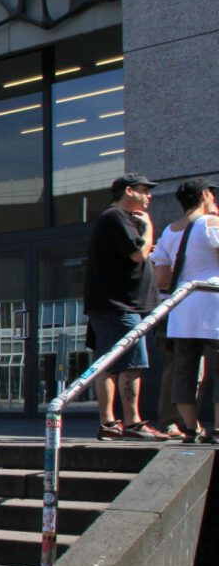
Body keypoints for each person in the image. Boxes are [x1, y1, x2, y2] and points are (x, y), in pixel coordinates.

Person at [84, 172, 170, 440]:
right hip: (119, 307)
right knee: (129, 365)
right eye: (145, 190)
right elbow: (137, 253)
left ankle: (110, 424)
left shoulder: (116, 219)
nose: (149, 196)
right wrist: (148, 229)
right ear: (129, 191)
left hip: (116, 305)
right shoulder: (116, 217)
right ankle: (130, 422)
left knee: (109, 364)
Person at [150, 177, 219, 443]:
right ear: (204, 196)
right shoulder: (211, 224)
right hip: (212, 308)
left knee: (184, 372)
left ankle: (190, 429)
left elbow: (162, 280)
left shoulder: (168, 231)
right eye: (212, 194)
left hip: (181, 310)